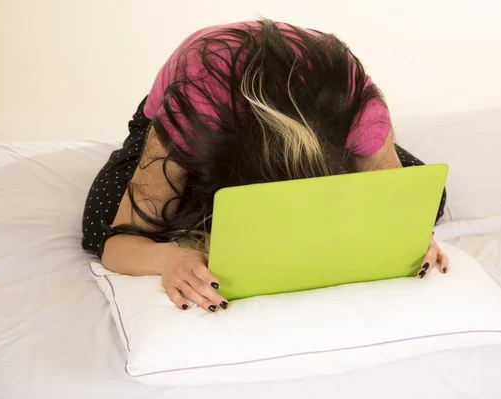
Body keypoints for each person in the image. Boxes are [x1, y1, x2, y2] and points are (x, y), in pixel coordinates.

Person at [81, 20, 448, 312]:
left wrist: (409, 236)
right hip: (201, 97)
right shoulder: (194, 114)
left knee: (431, 200)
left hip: (315, 100)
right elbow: (118, 246)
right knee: (103, 225)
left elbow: (395, 200)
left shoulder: (355, 104)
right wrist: (168, 258)